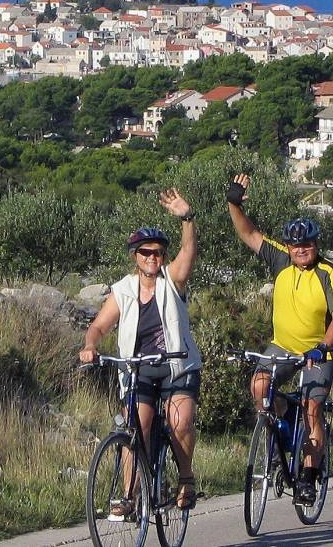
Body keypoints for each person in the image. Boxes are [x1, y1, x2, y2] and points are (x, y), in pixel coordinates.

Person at [226, 173, 333, 505]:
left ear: (316, 244)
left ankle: (308, 479)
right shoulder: (281, 259)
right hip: (282, 345)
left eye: (306, 245)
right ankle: (283, 419)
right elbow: (248, 233)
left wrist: (324, 346)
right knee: (259, 387)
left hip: (317, 351)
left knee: (312, 409)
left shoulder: (328, 272)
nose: (300, 250)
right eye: (296, 246)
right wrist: (233, 202)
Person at [80, 189, 202, 514]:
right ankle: (129, 496)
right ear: (135, 255)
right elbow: (99, 326)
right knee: (137, 426)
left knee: (180, 421)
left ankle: (186, 479)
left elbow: (188, 253)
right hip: (139, 369)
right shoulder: (122, 290)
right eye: (146, 252)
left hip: (177, 366)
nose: (152, 257)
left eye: (159, 252)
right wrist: (90, 346)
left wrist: (187, 219)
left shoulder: (171, 280)